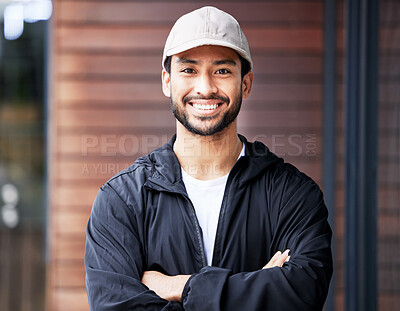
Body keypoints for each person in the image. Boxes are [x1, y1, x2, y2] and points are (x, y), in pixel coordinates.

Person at [85, 6, 332, 311]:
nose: (205, 88)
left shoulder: (292, 195)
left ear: (246, 83)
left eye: (222, 70)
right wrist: (254, 287)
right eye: (189, 70)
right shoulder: (121, 201)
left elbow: (301, 296)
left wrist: (181, 286)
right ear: (166, 81)